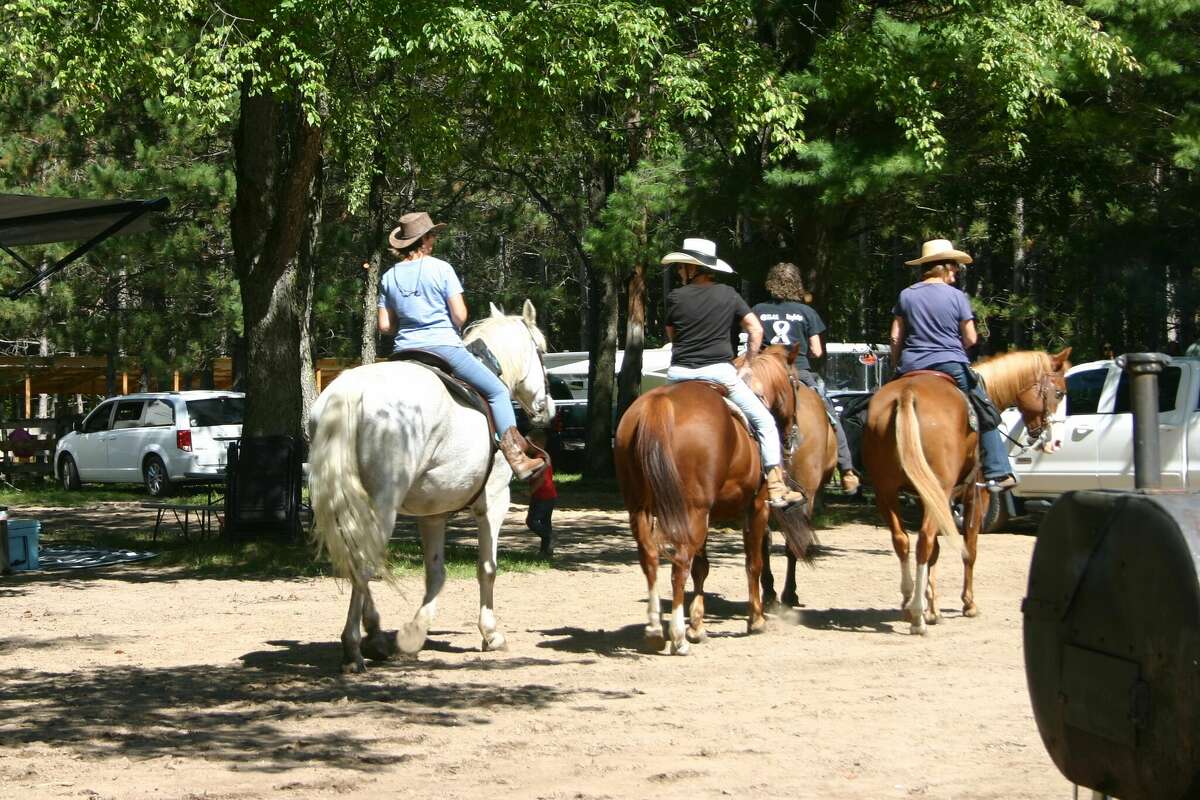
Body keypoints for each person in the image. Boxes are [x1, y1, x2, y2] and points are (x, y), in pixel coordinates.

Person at [378, 211, 544, 479]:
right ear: (425, 240)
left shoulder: (388, 277)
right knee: (498, 392)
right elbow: (460, 315)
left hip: (404, 353)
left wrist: (409, 324)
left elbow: (385, 326)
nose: (434, 240)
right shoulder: (442, 269)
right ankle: (518, 458)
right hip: (444, 349)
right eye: (432, 235)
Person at [662, 238, 805, 508]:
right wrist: (748, 364)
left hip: (678, 374)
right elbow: (756, 329)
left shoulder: (675, 297)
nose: (680, 271)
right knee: (765, 422)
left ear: (694, 269)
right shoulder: (728, 294)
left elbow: (673, 335)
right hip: (719, 373)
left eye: (682, 266)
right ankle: (775, 486)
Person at [891, 238, 1016, 492]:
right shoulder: (957, 296)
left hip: (911, 366)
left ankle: (862, 468)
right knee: (985, 411)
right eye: (955, 267)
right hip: (950, 365)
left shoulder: (906, 295)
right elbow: (970, 337)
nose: (957, 272)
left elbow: (895, 337)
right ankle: (998, 471)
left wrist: (896, 366)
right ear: (945, 267)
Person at [752, 262, 861, 494]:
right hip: (798, 372)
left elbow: (753, 343)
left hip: (766, 376)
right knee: (830, 413)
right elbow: (817, 350)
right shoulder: (807, 312)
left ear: (771, 284)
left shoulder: (759, 310)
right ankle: (848, 470)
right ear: (796, 285)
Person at [525, 429, 557, 556]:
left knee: (531, 521)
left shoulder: (541, 459)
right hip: (550, 496)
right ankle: (546, 551)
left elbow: (542, 478)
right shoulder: (541, 457)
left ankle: (549, 536)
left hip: (542, 496)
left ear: (536, 444)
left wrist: (530, 491)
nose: (526, 446)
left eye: (528, 443)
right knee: (545, 522)